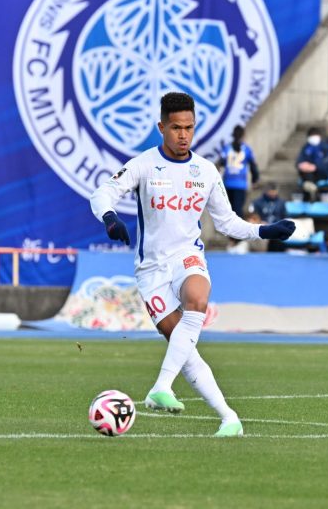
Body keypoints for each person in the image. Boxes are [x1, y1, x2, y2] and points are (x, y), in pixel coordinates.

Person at [90, 92, 296, 437]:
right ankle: (230, 417)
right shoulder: (143, 165)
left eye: (189, 127)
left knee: (197, 299)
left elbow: (228, 222)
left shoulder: (205, 171)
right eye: (175, 128)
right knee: (182, 346)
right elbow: (103, 193)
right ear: (161, 127)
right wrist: (110, 218)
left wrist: (264, 230)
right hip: (151, 270)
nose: (183, 135)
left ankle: (161, 387)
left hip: (187, 257)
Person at [217, 125, 259, 218]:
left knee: (229, 210)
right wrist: (254, 180)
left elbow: (221, 164)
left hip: (227, 183)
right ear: (243, 135)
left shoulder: (227, 148)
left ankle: (229, 231)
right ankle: (237, 231)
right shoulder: (247, 149)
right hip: (240, 184)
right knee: (238, 210)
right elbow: (253, 166)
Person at [296, 127, 328, 202]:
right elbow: (299, 161)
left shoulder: (325, 147)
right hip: (308, 173)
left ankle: (311, 189)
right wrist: (302, 165)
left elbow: (327, 163)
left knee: (309, 177)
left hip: (321, 173)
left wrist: (315, 166)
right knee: (306, 174)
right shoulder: (306, 147)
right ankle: (311, 189)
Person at [251, 183, 288, 252]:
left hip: (277, 227)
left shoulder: (281, 202)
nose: (273, 193)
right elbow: (253, 217)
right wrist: (261, 222)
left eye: (275, 191)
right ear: (266, 191)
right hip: (263, 227)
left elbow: (284, 217)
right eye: (271, 191)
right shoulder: (257, 202)